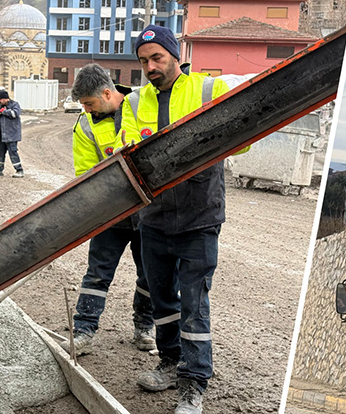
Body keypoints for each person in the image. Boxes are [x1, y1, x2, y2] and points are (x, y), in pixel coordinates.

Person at [125, 25, 231, 414]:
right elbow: (133, 154)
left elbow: (242, 136)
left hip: (199, 217)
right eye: (143, 61)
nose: (150, 66)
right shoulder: (135, 103)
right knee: (163, 298)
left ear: (174, 54)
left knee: (194, 302)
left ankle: (194, 380)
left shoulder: (209, 91)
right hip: (153, 218)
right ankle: (170, 362)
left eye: (156, 57)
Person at [67, 63, 155, 355]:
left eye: (90, 103)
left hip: (148, 212)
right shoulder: (84, 125)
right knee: (97, 273)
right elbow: (85, 174)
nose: (88, 110)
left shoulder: (145, 104)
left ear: (107, 92)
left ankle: (145, 327)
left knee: (150, 274)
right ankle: (83, 331)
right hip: (112, 215)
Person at [0, 89, 23, 177]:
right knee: (1, 152)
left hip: (11, 134)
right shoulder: (0, 106)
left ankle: (19, 170)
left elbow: (15, 114)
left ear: (6, 98)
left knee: (13, 152)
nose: (0, 101)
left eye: (1, 99)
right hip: (2, 135)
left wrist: (4, 111)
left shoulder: (15, 105)